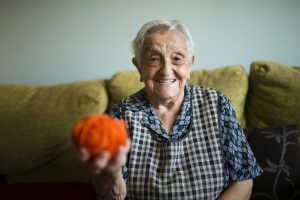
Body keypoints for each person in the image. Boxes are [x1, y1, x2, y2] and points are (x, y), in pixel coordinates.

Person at [80, 19, 263, 200]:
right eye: (153, 59)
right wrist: (110, 175)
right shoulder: (122, 115)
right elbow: (113, 193)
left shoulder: (217, 104)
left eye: (177, 58)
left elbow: (244, 179)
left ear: (190, 64)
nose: (166, 70)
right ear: (139, 66)